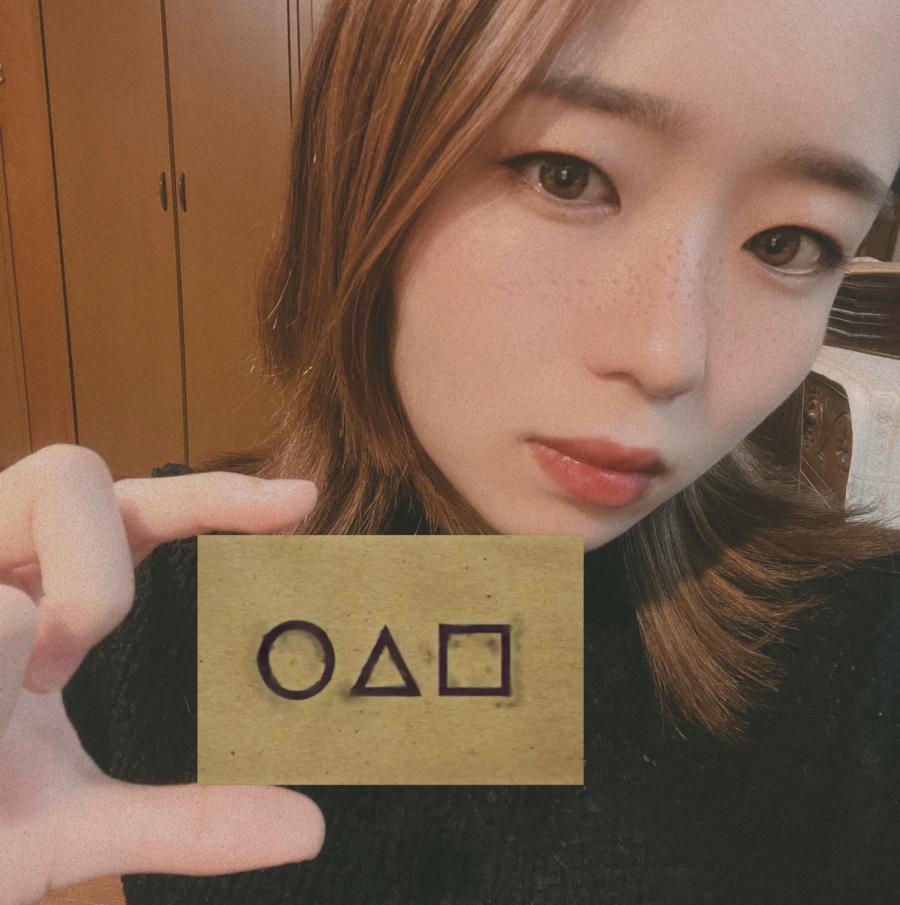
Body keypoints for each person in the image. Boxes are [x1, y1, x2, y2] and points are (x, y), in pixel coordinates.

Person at [2, 0, 899, 902]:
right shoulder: (136, 599)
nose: (668, 357)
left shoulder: (860, 658)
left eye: (790, 242)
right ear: (365, 163)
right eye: (567, 175)